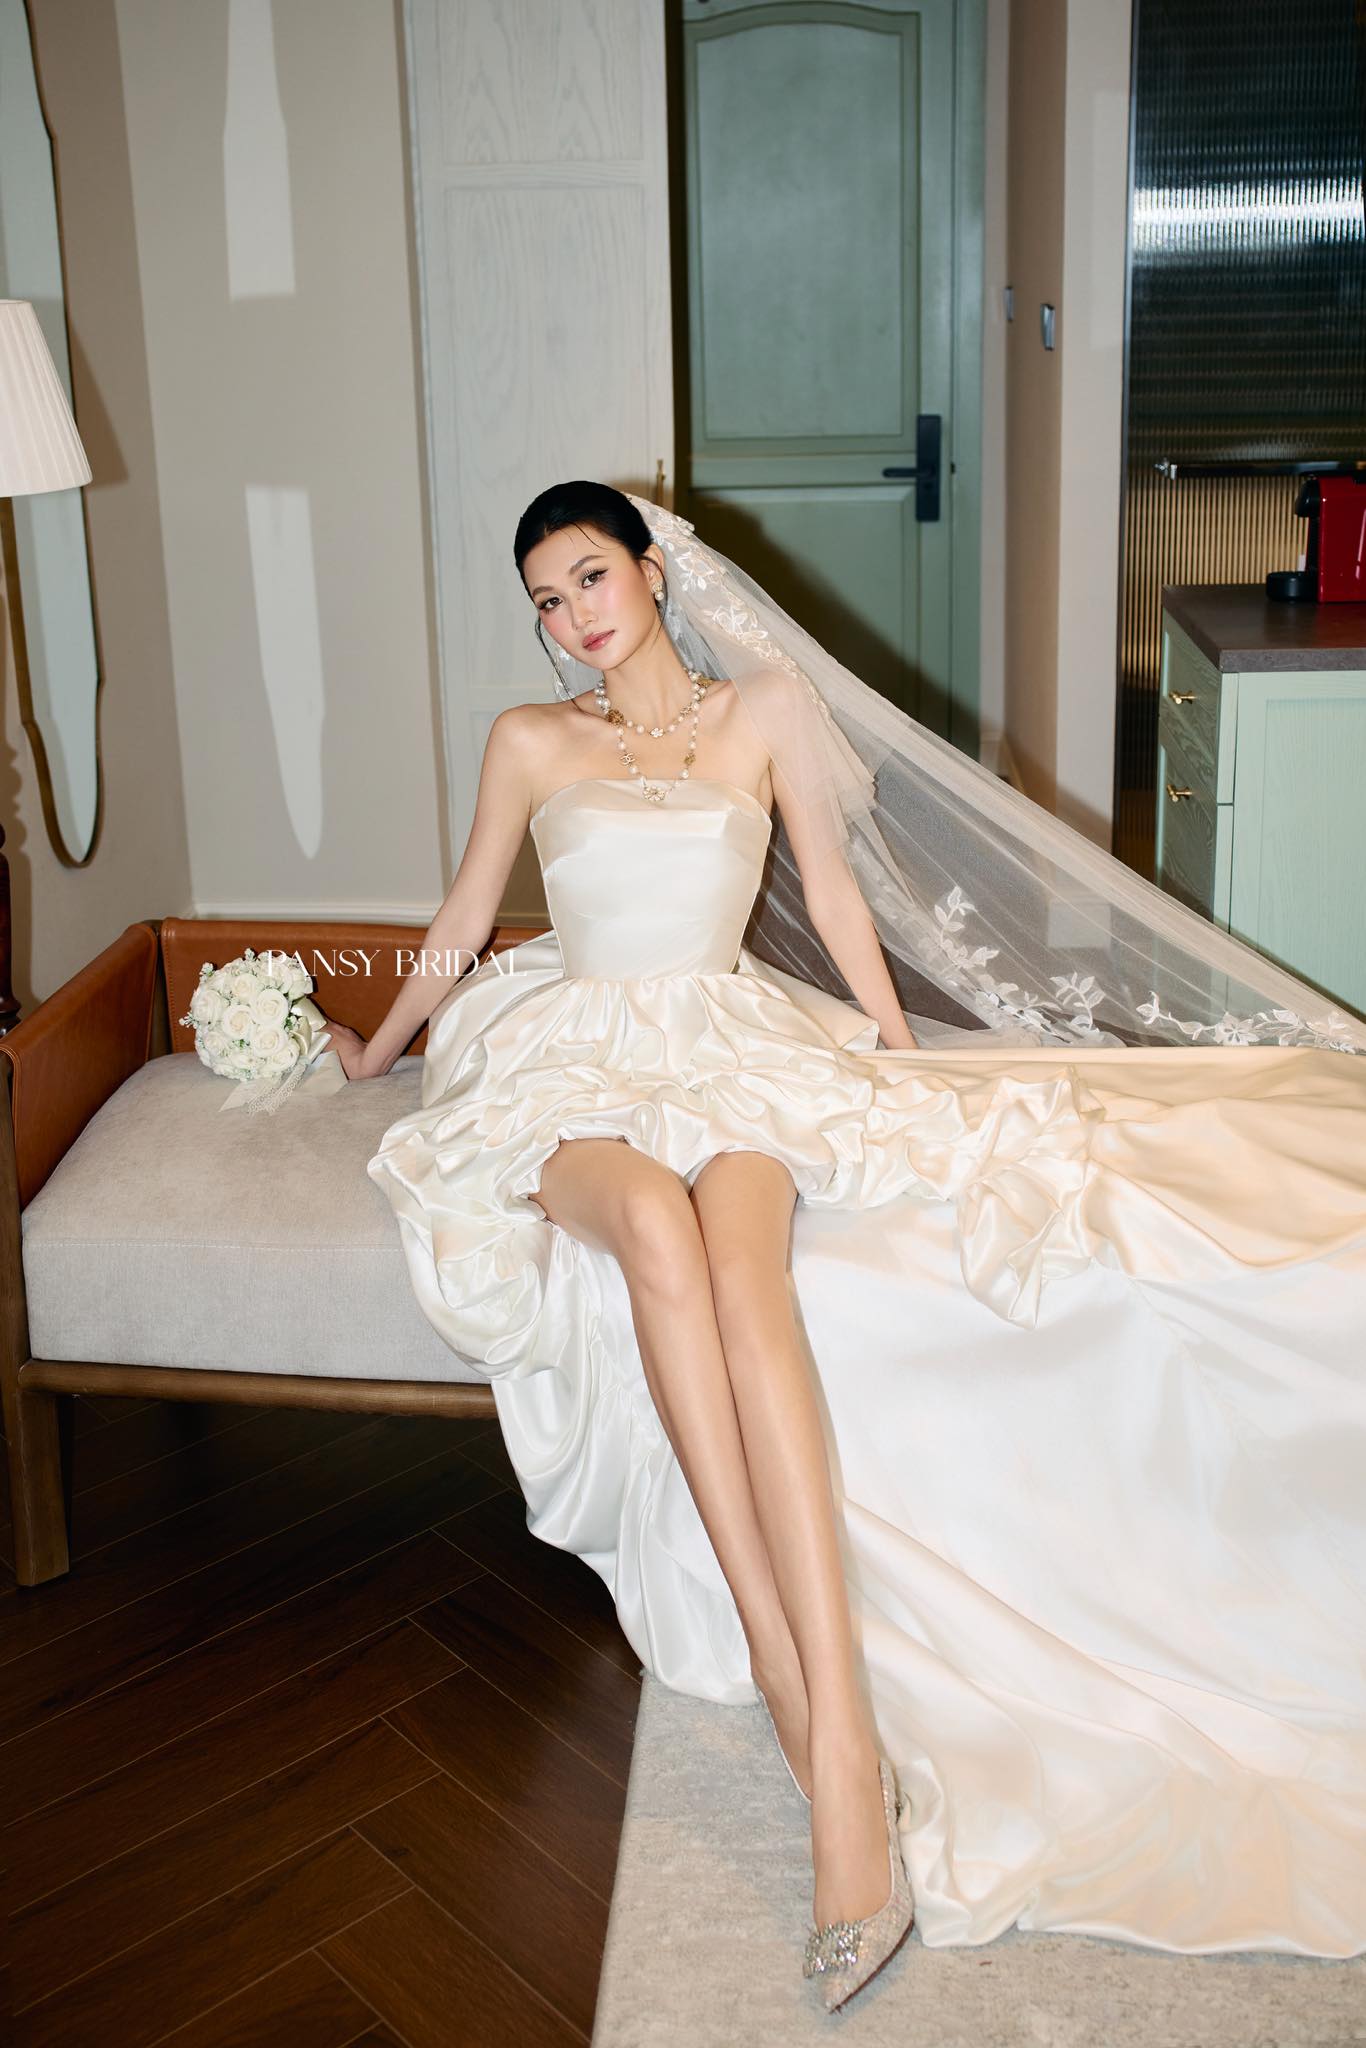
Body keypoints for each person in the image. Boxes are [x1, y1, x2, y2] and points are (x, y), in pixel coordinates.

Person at [327, 482, 1366, 2011]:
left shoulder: (762, 713)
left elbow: (825, 889)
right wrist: (377, 1051)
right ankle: (784, 1669)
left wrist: (894, 1049)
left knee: (745, 1270)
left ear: (651, 570)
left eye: (591, 576)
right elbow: (465, 914)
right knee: (656, 1238)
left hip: (734, 1048)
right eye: (546, 598)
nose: (572, 617)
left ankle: (839, 1766)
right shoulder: (529, 741)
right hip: (570, 1059)